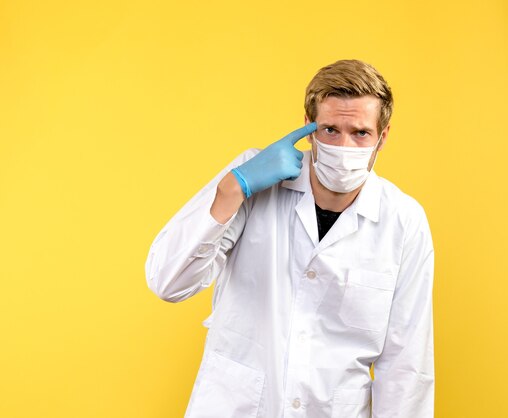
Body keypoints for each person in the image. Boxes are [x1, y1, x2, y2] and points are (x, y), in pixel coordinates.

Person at [145, 59, 435, 418]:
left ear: (383, 137)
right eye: (329, 129)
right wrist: (233, 188)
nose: (344, 146)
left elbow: (406, 367)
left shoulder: (404, 222)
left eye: (360, 133)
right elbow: (168, 282)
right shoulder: (254, 181)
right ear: (308, 128)